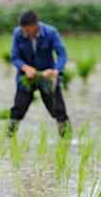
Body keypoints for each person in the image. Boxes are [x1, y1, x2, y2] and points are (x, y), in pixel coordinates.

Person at [9, 10, 72, 138]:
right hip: (26, 76)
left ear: (35, 25)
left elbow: (62, 54)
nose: (25, 32)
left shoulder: (51, 32)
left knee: (58, 109)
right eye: (23, 29)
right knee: (18, 108)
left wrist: (55, 70)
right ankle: (9, 136)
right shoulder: (18, 33)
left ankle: (67, 138)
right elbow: (14, 57)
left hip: (47, 76)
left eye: (27, 29)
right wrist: (25, 68)